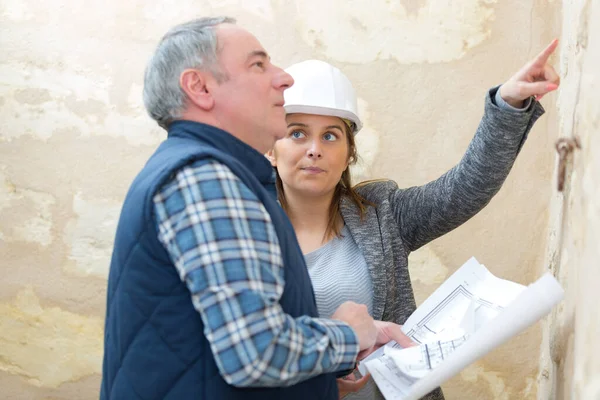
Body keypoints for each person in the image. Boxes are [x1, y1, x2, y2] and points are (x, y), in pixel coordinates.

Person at [100, 17, 408, 400]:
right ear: (200, 87)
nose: (284, 79)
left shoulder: (208, 172)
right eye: (258, 65)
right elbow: (255, 353)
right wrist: (348, 334)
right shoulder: (207, 178)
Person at [268, 41, 560, 399]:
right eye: (297, 133)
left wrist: (509, 104)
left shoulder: (383, 214)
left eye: (331, 135)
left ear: (347, 155)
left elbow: (466, 188)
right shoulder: (244, 237)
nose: (314, 148)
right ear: (271, 149)